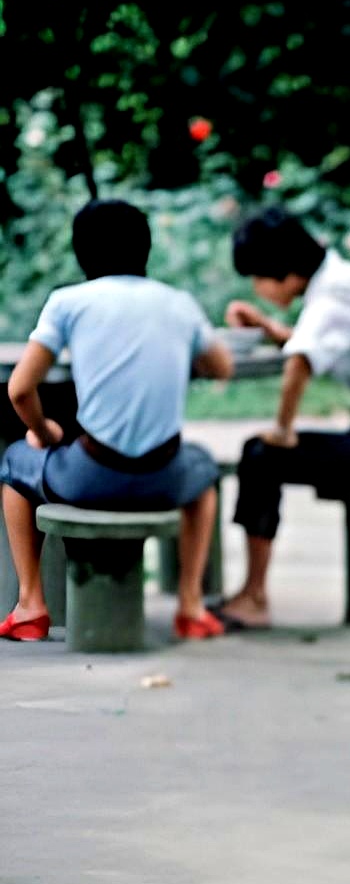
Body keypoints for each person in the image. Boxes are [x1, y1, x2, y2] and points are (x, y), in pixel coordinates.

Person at [0, 199, 231, 643]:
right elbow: (221, 367)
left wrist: (45, 432)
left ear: (81, 251)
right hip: (164, 477)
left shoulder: (68, 302)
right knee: (204, 473)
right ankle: (190, 604)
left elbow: (20, 389)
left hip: (91, 477)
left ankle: (30, 604)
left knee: (14, 462)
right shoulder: (178, 303)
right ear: (146, 248)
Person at [215, 207, 350, 629]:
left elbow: (300, 361)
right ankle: (252, 593)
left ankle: (254, 597)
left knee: (262, 455)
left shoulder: (339, 291)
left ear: (283, 271)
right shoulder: (337, 284)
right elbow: (309, 343)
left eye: (258, 277)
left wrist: (283, 430)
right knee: (260, 452)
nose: (257, 288)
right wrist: (270, 329)